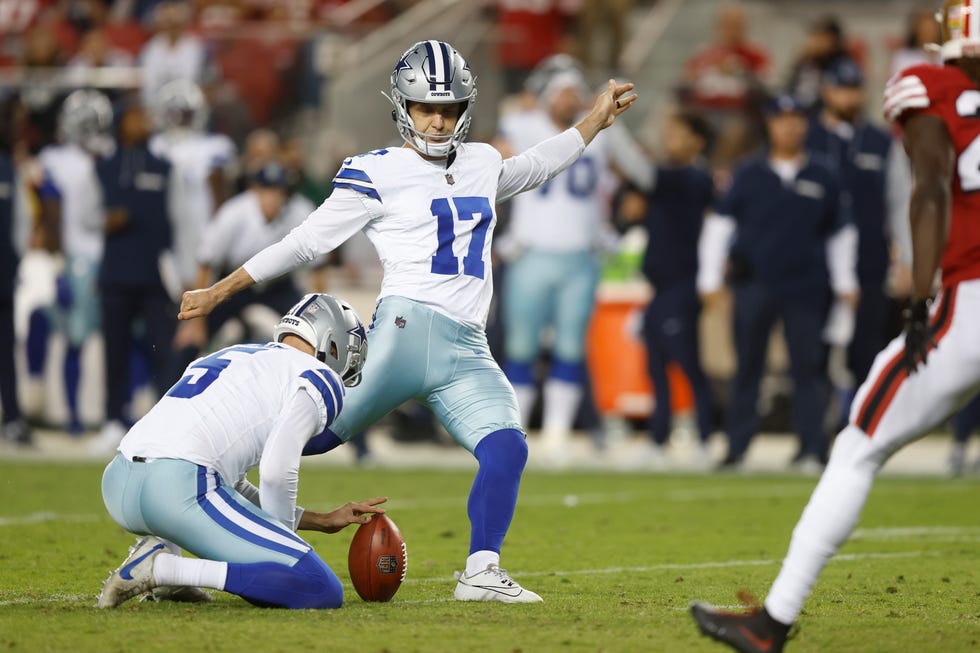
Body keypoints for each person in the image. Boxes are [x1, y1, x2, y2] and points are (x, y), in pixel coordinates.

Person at [178, 39, 637, 602]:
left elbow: (537, 165)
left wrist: (594, 120)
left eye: (450, 109)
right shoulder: (375, 172)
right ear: (404, 107)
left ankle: (481, 571)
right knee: (308, 438)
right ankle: (188, 494)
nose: (440, 121)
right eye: (427, 108)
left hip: (468, 347)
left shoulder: (482, 161)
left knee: (507, 448)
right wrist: (221, 290)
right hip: (404, 333)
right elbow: (304, 243)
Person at [690, 3, 980, 650]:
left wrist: (922, 296)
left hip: (968, 300)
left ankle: (773, 619)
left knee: (859, 445)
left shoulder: (933, 89)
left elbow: (931, 184)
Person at [97, 292, 380, 609]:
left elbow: (226, 483)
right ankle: (164, 568)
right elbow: (276, 468)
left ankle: (170, 570)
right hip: (177, 489)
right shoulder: (321, 376)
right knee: (318, 588)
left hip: (119, 481)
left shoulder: (229, 354)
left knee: (208, 479)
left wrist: (318, 519)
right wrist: (283, 546)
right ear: (332, 345)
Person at [494, 59, 652, 464]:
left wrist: (615, 128)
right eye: (561, 90)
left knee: (569, 349)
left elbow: (642, 172)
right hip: (530, 251)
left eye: (574, 90)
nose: (570, 97)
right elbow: (490, 169)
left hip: (582, 256)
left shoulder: (601, 129)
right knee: (521, 348)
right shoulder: (521, 125)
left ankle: (558, 437)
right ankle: (516, 432)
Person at [697, 94, 858, 470]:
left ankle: (812, 447)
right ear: (770, 125)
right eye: (782, 119)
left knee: (809, 367)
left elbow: (840, 232)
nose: (790, 126)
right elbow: (719, 225)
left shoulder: (823, 173)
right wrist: (709, 278)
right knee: (747, 367)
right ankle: (737, 447)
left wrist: (847, 282)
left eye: (797, 118)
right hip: (754, 283)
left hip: (806, 286)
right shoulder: (749, 173)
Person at [806, 57, 912, 429]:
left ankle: (863, 430)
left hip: (869, 262)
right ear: (826, 92)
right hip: (813, 265)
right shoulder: (807, 137)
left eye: (854, 89)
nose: (849, 97)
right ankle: (814, 438)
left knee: (866, 353)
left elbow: (901, 203)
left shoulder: (881, 143)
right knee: (811, 355)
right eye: (841, 89)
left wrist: (908, 261)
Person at [622, 111, 715, 468]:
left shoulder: (692, 177)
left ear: (697, 141)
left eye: (678, 133)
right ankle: (658, 440)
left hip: (682, 283)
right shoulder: (674, 178)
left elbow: (636, 167)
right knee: (657, 366)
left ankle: (704, 440)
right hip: (660, 287)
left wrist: (602, 121)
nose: (669, 139)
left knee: (688, 366)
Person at [93, 102, 178, 453]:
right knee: (116, 351)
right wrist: (103, 223)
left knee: (166, 351)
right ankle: (114, 419)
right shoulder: (104, 166)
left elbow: (180, 217)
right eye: (133, 116)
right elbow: (83, 215)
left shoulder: (164, 167)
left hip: (156, 274)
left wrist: (183, 268)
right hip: (115, 272)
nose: (141, 121)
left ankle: (169, 421)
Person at [35, 89, 113, 435]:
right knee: (76, 338)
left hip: (114, 255)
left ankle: (125, 412)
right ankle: (73, 416)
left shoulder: (113, 154)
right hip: (79, 257)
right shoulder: (54, 158)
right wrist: (57, 265)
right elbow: (51, 218)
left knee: (127, 337)